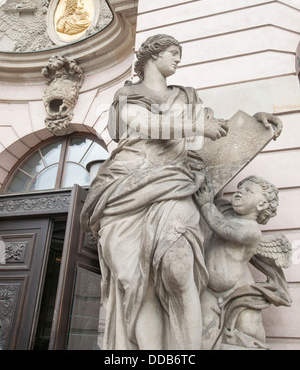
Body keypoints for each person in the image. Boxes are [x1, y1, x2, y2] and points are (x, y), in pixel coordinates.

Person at [80, 34, 282, 350]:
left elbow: (218, 129)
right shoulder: (128, 94)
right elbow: (143, 123)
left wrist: (254, 125)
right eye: (173, 53)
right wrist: (196, 126)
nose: (178, 60)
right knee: (137, 285)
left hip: (175, 184)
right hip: (126, 187)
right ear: (152, 55)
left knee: (177, 272)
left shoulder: (187, 97)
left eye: (179, 54)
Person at [194, 176, 292, 350]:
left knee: (248, 332)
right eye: (240, 188)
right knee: (202, 335)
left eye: (248, 191)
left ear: (261, 205)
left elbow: (222, 227)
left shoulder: (251, 230)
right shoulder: (226, 211)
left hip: (237, 293)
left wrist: (206, 205)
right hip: (208, 289)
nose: (240, 191)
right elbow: (216, 196)